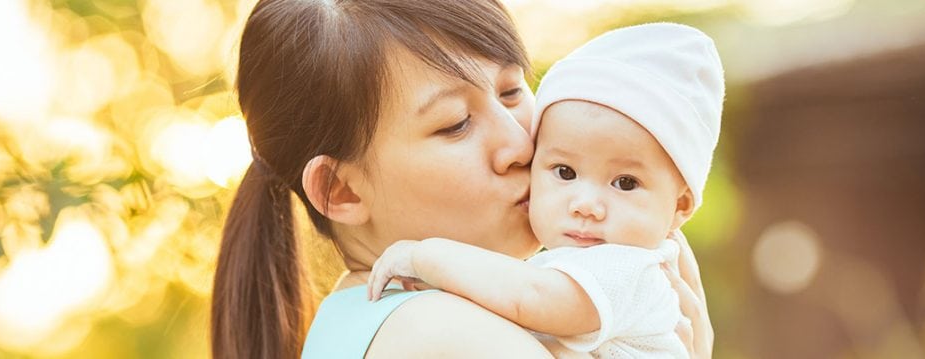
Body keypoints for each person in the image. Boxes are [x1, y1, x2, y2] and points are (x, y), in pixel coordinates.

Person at [211, 0, 713, 358]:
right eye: (455, 123)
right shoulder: (447, 335)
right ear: (341, 190)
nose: (519, 145)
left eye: (513, 91)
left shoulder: (359, 320)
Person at [367, 23, 723, 358]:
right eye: (565, 172)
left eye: (625, 183)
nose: (586, 205)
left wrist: (424, 257)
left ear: (680, 205)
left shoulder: (629, 270)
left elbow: (531, 296)